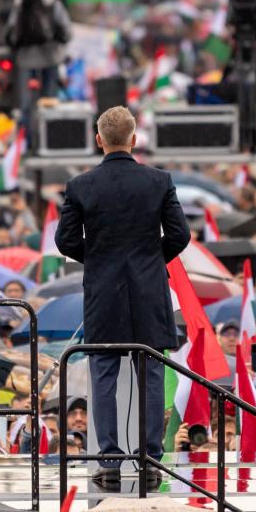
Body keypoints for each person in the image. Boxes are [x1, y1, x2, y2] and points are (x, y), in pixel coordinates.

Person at [55, 105, 190, 489]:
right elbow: (180, 235)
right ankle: (149, 459)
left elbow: (65, 240)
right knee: (150, 374)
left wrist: (100, 261)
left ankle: (110, 461)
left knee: (104, 375)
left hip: (103, 295)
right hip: (149, 293)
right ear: (133, 139)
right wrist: (149, 260)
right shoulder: (159, 181)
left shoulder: (81, 186)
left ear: (99, 140)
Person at [5, 0, 71, 148]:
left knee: (25, 105)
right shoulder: (51, 0)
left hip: (25, 60)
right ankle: (50, 142)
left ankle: (25, 143)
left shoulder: (19, 1)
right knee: (50, 102)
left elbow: (10, 31)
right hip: (50, 58)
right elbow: (66, 28)